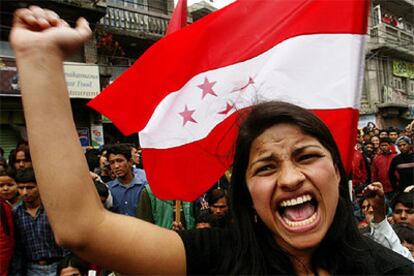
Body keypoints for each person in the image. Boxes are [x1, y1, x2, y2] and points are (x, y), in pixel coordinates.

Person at [10, 7, 414, 275]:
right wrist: (39, 63)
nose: (290, 178)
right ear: (246, 192)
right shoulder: (219, 257)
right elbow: (83, 229)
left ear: (337, 168)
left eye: (306, 156)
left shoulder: (392, 271)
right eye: (266, 167)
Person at [13, 168, 67, 275]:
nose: (25, 192)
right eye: (21, 188)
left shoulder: (53, 208)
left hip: (58, 264)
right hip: (31, 268)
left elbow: (66, 239)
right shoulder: (16, 212)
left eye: (30, 188)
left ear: (39, 186)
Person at [106, 144, 147, 216]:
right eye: (112, 162)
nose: (116, 166)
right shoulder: (108, 189)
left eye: (120, 161)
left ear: (130, 162)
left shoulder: (145, 186)